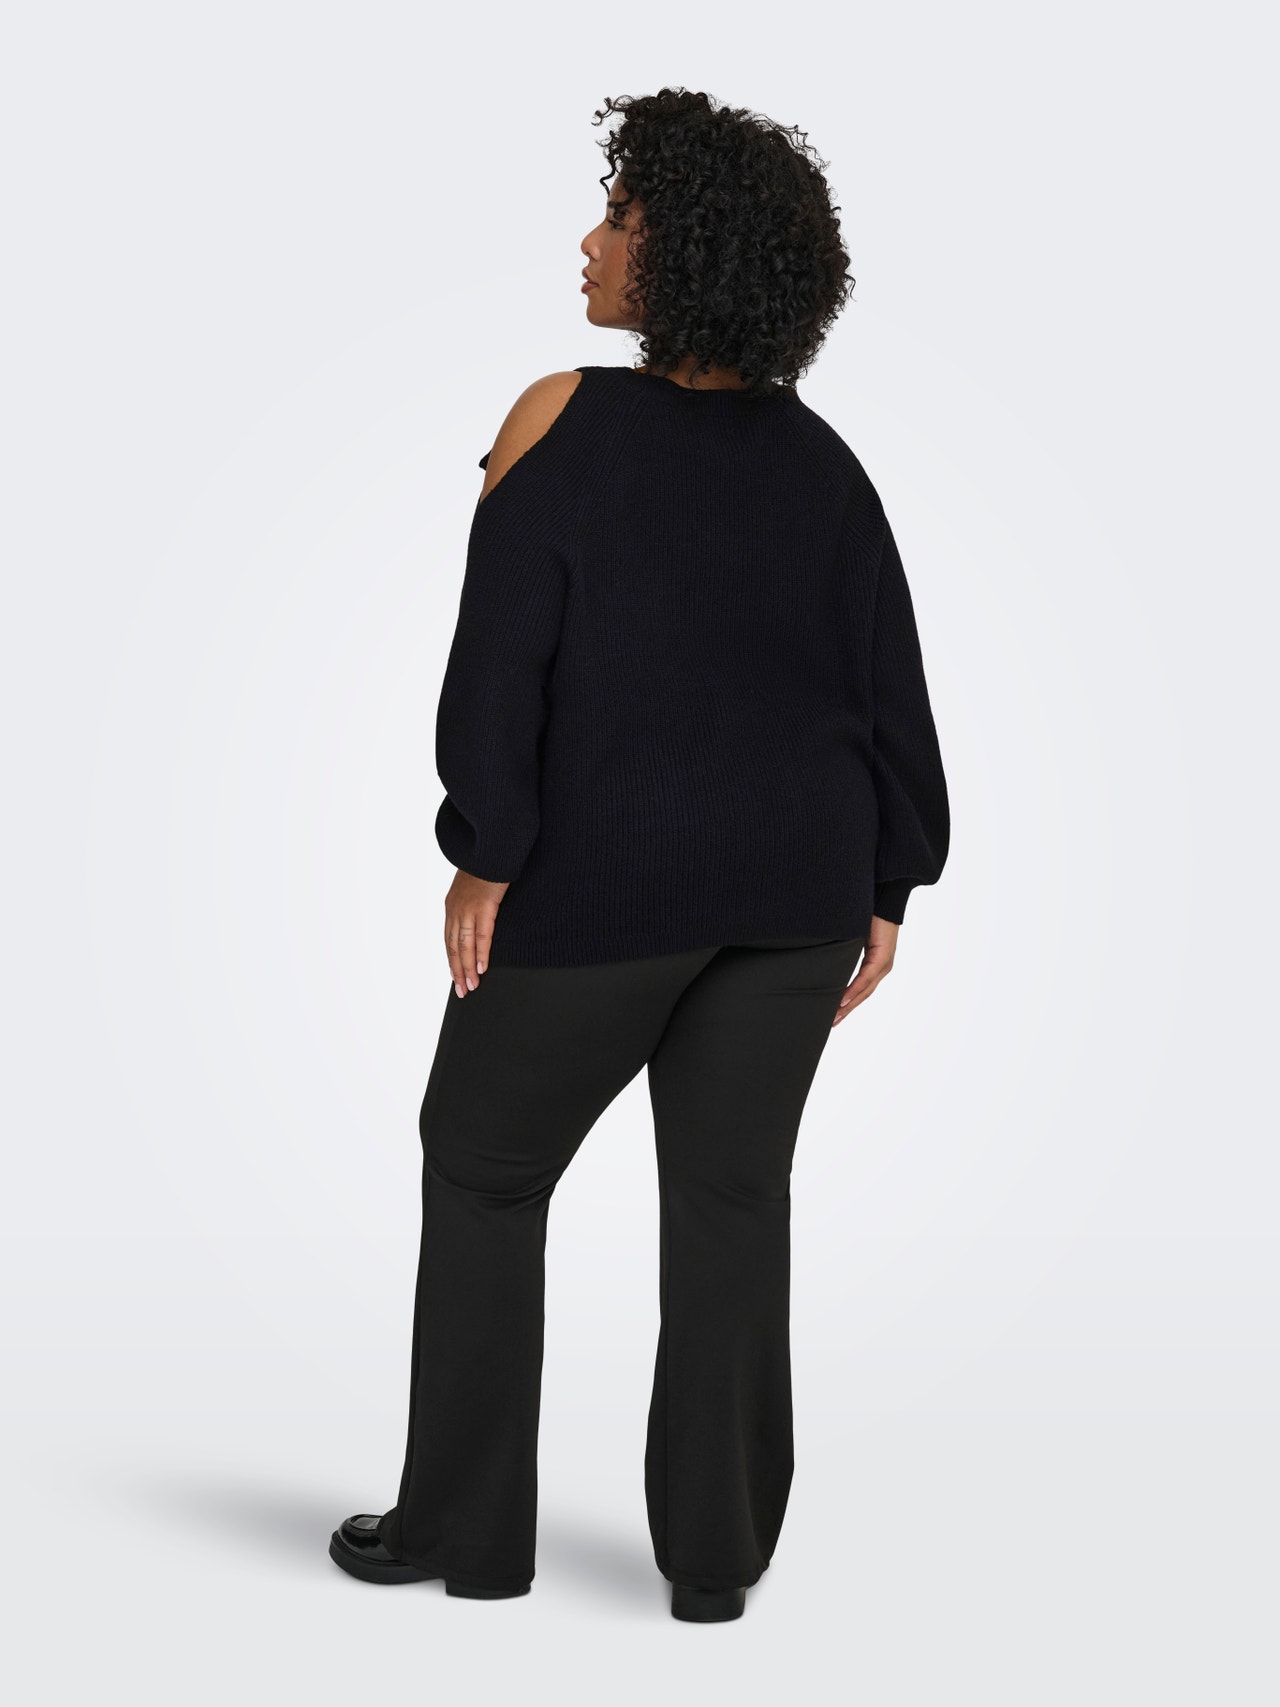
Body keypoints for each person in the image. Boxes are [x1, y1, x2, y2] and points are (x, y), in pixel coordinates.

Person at [329, 86, 950, 1623]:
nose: (590, 243)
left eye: (620, 218)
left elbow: (502, 669)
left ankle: (466, 1537)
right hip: (800, 898)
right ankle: (716, 1565)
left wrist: (487, 852)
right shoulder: (826, 466)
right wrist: (887, 885)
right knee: (733, 1204)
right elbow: (886, 687)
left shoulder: (560, 414)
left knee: (484, 1168)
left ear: (690, 255)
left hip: (609, 884)